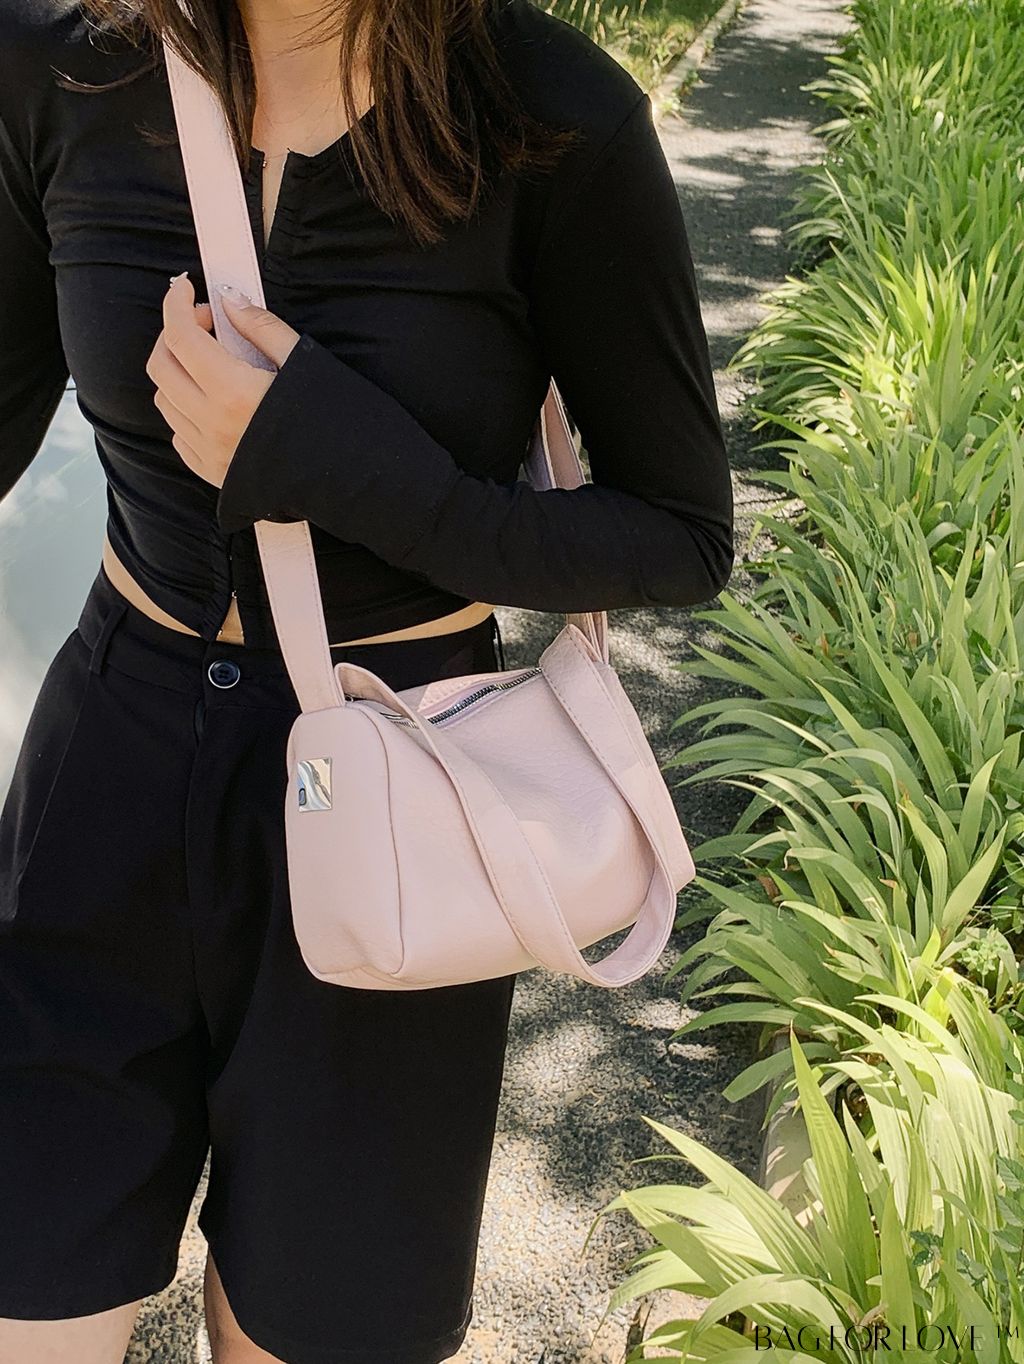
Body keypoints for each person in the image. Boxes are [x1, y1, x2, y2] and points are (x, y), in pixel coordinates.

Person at [0, 0, 734, 1356]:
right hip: (106, 783)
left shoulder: (548, 111)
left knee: (319, 1330)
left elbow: (679, 535)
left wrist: (355, 468)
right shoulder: (62, 66)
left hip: (401, 790)